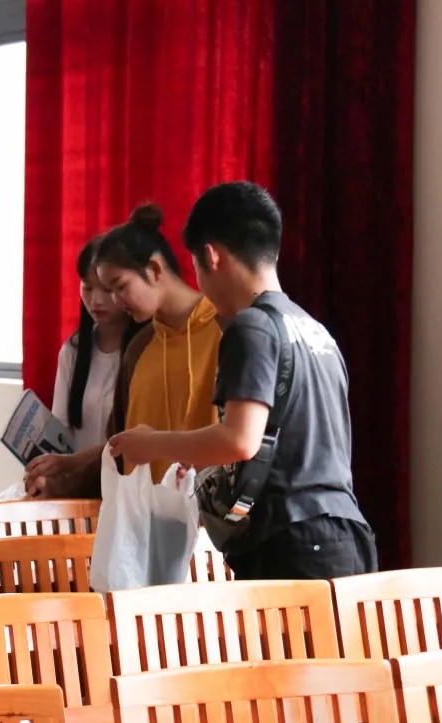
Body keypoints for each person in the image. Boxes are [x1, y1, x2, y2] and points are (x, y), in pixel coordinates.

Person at [108, 181, 377, 580]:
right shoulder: (314, 330)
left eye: (195, 267)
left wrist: (151, 444)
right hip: (344, 532)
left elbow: (239, 440)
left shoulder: (253, 326)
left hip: (291, 540)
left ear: (211, 256)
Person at [26, 204, 221, 495]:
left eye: (119, 287)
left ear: (154, 269)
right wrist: (60, 483)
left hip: (209, 515)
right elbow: (116, 451)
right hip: (140, 514)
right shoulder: (139, 348)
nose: (115, 301)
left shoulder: (224, 329)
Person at [51, 237, 144, 451]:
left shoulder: (146, 350)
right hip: (78, 471)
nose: (96, 300)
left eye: (107, 289)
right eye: (88, 287)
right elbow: (60, 428)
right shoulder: (72, 351)